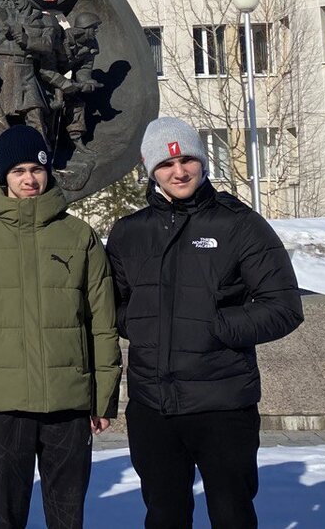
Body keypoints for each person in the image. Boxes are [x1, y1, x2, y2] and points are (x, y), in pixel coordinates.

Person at [106, 117, 304, 529]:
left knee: (231, 514)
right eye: (166, 165)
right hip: (152, 407)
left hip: (223, 405)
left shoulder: (239, 225)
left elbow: (283, 305)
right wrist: (142, 324)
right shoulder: (129, 233)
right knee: (163, 514)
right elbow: (114, 306)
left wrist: (214, 326)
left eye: (188, 160)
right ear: (151, 170)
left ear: (202, 161)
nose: (179, 172)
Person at [0, 124, 121, 529]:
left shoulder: (78, 235)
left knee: (67, 517)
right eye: (19, 170)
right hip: (2, 408)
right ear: (3, 175)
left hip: (68, 406)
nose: (29, 178)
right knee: (5, 518)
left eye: (37, 169)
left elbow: (102, 324)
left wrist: (103, 397)